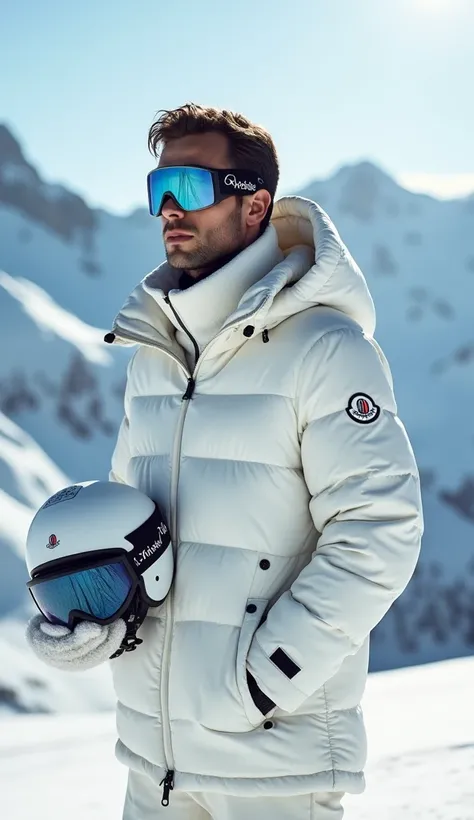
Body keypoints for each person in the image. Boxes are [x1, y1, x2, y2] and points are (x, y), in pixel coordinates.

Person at [105, 103, 423, 819]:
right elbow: (129, 531)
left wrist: (262, 684)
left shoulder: (327, 349)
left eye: (188, 187)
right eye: (158, 189)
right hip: (153, 766)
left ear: (255, 205)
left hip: (272, 768)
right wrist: (92, 618)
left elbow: (381, 532)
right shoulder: (153, 356)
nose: (167, 211)